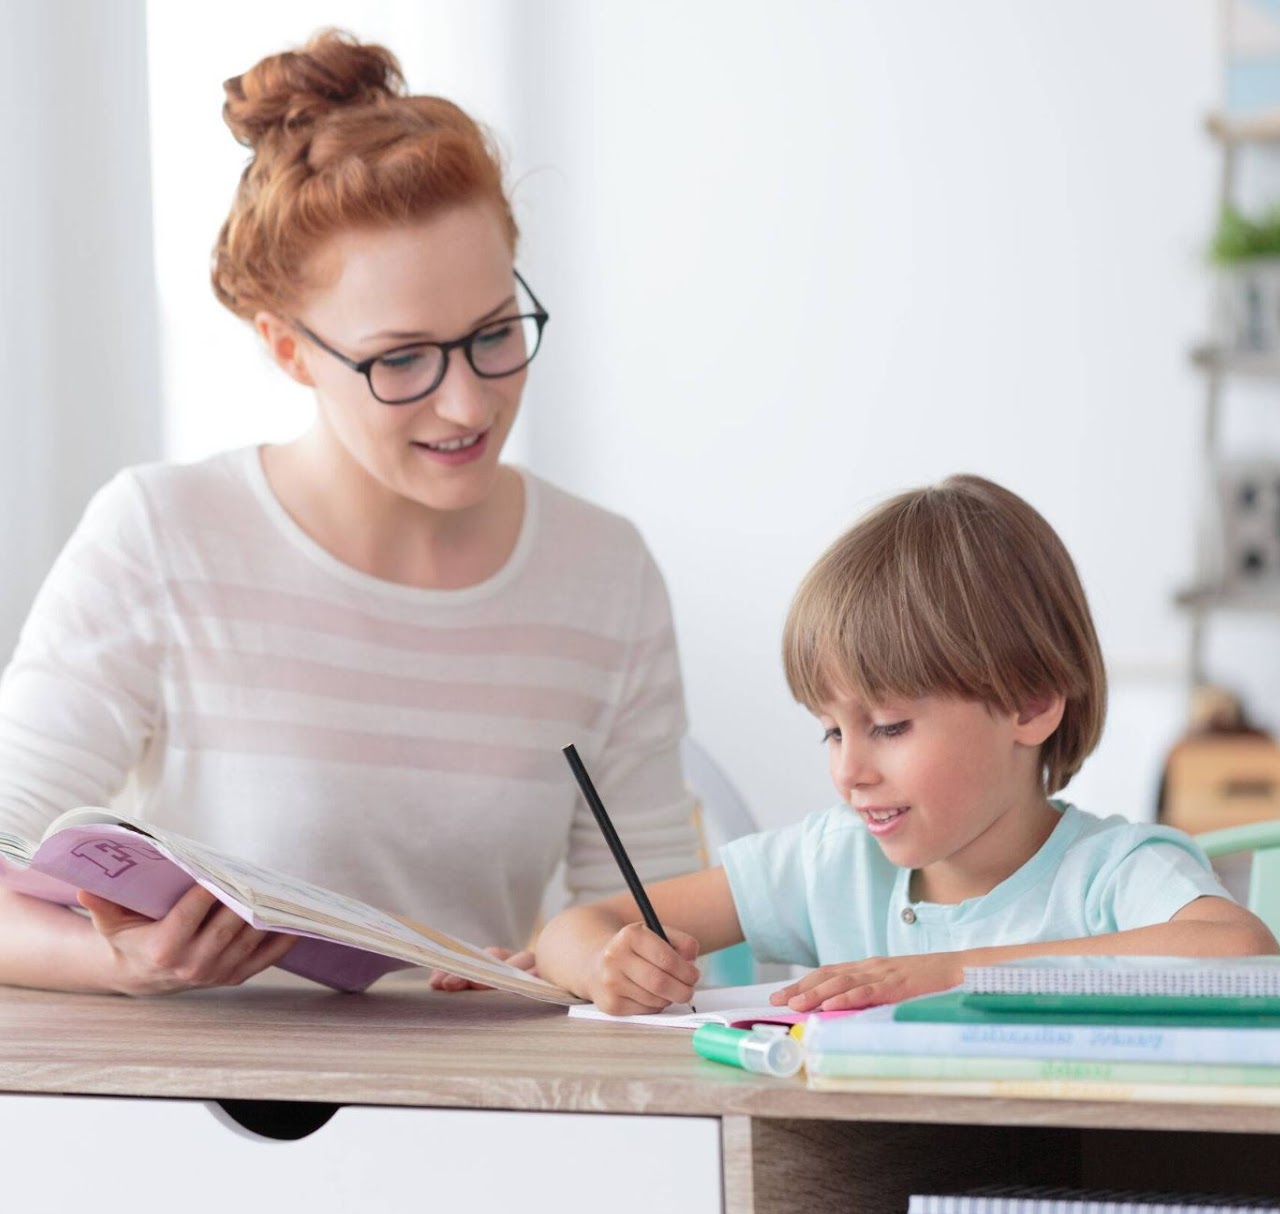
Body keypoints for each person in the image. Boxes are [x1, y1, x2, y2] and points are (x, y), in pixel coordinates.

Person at [0, 29, 699, 995]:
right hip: (200, 1112)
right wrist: (123, 963)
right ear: (288, 350)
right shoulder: (163, 537)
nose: (468, 404)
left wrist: (572, 969)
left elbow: (658, 914)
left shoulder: (604, 572)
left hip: (478, 1108)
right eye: (402, 359)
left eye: (495, 333)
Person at [536, 474, 1280, 1015]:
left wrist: (947, 971)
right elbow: (572, 929)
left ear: (1030, 703)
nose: (848, 770)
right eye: (832, 730)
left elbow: (1238, 951)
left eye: (888, 727)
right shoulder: (829, 865)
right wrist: (608, 965)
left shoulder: (1110, 876)